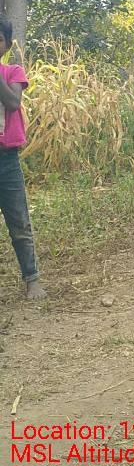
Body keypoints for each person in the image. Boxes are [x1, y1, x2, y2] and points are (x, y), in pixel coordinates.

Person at [0, 17, 46, 301]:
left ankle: (32, 280)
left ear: (6, 45)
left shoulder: (13, 72)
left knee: (19, 222)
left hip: (6, 161)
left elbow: (13, 102)